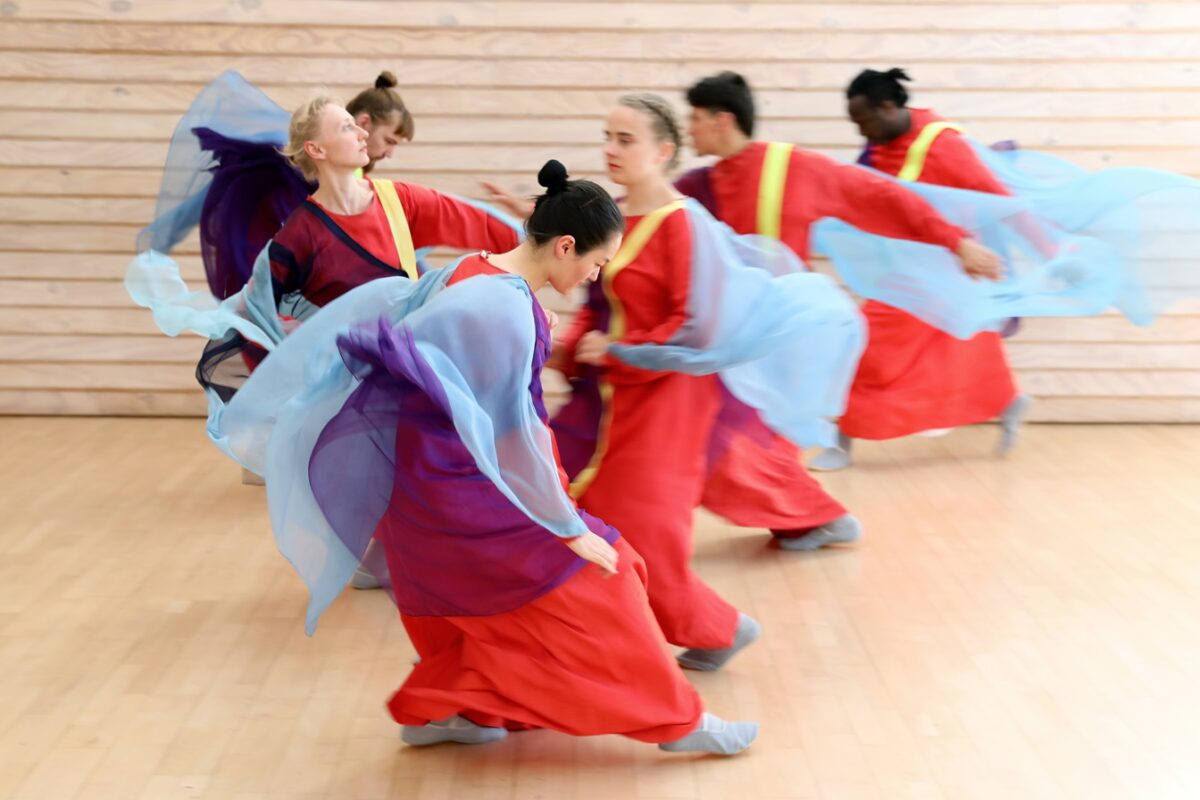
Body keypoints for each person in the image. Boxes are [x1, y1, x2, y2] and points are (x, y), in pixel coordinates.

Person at [138, 158, 761, 755]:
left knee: (483, 609)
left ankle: (450, 708)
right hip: (458, 489)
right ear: (565, 246)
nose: (596, 278)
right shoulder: (509, 307)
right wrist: (567, 528)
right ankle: (677, 720)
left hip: (423, 485)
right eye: (597, 263)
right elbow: (514, 433)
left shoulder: (474, 269)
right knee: (611, 575)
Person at [491, 95, 866, 672]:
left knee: (636, 535)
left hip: (665, 405)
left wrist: (617, 351)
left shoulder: (684, 223)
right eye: (607, 136)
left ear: (664, 152)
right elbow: (599, 299)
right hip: (600, 401)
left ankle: (714, 630)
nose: (610, 150)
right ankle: (543, 653)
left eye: (625, 139)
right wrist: (567, 346)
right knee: (544, 509)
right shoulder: (611, 216)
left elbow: (698, 328)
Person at [678, 70, 1002, 543]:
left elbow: (884, 197)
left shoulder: (795, 169)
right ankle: (806, 520)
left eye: (695, 119)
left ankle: (815, 518)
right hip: (728, 336)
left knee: (748, 440)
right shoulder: (695, 186)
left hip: (781, 335)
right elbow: (634, 215)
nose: (689, 130)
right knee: (733, 439)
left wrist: (955, 242)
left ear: (722, 121)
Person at [807, 68, 1029, 470]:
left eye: (864, 122)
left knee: (859, 344)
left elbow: (1004, 203)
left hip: (945, 270)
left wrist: (1055, 251)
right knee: (971, 345)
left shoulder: (945, 146)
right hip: (915, 268)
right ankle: (1010, 403)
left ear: (888, 107)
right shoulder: (881, 145)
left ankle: (840, 443)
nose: (862, 134)